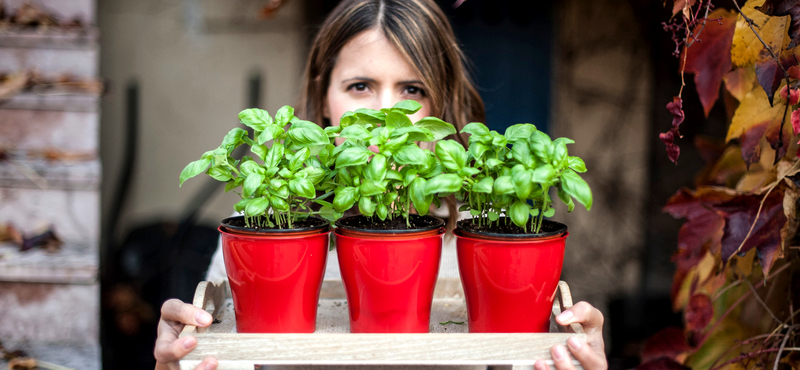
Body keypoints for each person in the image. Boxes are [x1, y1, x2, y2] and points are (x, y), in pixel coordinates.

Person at [154, 1, 608, 370]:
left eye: (412, 89)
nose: (385, 112)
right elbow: (221, 355)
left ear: (442, 105)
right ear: (323, 97)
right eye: (360, 86)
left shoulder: (481, 235)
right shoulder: (263, 233)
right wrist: (175, 365)